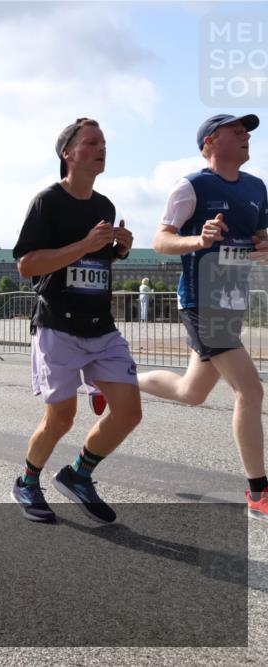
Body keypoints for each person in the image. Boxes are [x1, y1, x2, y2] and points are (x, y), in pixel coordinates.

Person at [137, 113, 267, 522]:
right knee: (251, 390)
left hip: (230, 304)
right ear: (211, 142)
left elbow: (261, 240)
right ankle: (259, 494)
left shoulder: (256, 188)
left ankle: (117, 378)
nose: (246, 136)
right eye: (236, 131)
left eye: (247, 131)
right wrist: (199, 238)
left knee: (192, 392)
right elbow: (160, 239)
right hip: (199, 303)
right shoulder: (191, 186)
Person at [11, 117, 141, 523]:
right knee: (61, 418)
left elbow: (94, 262)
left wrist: (118, 250)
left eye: (103, 142)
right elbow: (27, 265)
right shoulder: (47, 201)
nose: (101, 148)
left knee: (129, 411)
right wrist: (85, 243)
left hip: (100, 326)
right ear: (67, 153)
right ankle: (27, 482)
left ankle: (78, 475)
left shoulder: (105, 206)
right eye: (91, 142)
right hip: (58, 326)